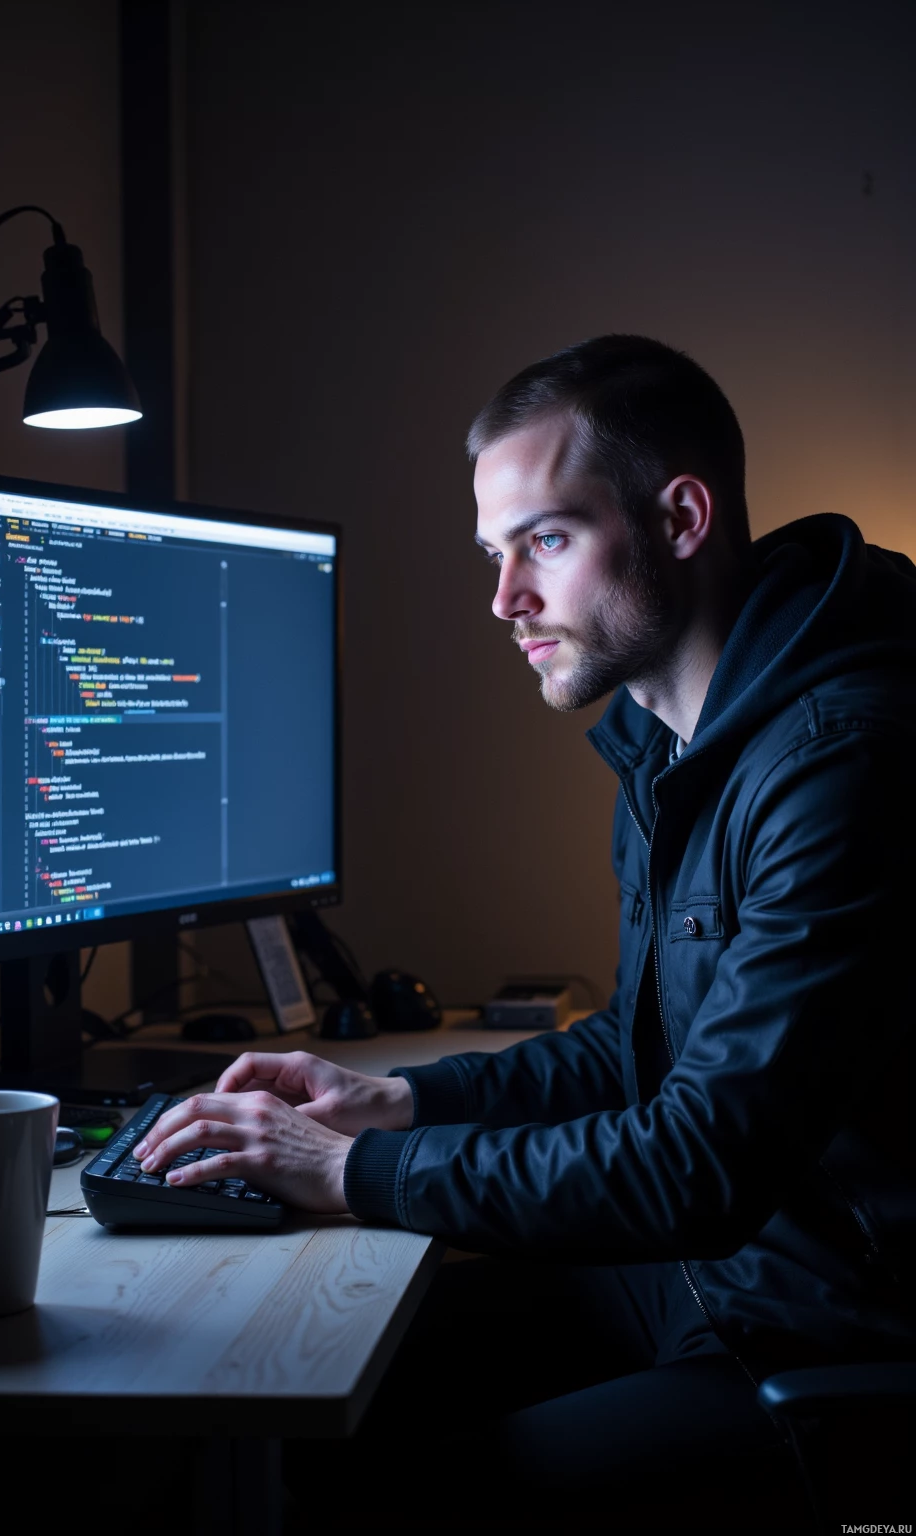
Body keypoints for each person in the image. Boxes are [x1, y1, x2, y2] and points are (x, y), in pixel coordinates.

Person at [133, 335, 916, 1529]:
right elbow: (641, 1049)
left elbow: (697, 1161)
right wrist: (390, 1104)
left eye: (544, 541)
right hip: (722, 1276)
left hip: (834, 1336)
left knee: (388, 1496)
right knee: (312, 1406)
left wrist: (344, 1172)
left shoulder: (841, 763)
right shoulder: (673, 738)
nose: (503, 599)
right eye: (493, 554)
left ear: (681, 518)